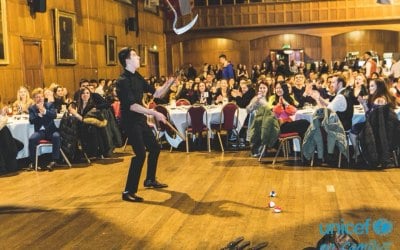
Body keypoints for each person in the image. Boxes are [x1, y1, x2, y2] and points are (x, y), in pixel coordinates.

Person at [116, 47, 175, 202]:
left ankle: (149, 180)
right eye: (135, 55)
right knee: (140, 154)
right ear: (127, 60)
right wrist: (155, 113)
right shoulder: (122, 81)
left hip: (140, 119)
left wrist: (169, 83)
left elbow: (156, 94)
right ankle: (128, 191)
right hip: (130, 121)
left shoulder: (137, 76)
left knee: (155, 148)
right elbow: (132, 106)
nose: (139, 57)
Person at [28, 88, 60, 171]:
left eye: (41, 96)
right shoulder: (32, 108)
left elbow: (54, 115)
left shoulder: (49, 105)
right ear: (34, 99)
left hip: (51, 130)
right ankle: (33, 162)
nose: (39, 98)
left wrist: (44, 111)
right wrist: (39, 115)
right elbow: (31, 120)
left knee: (56, 136)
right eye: (37, 97)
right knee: (32, 139)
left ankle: (54, 160)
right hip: (40, 131)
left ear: (43, 97)